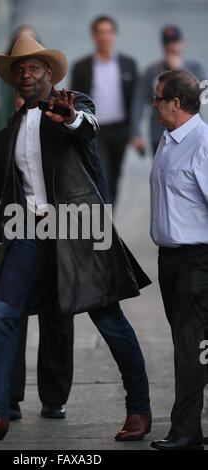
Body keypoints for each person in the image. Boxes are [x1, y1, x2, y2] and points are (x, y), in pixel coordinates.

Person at [0, 37, 151, 442]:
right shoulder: (16, 125)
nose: (26, 74)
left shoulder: (73, 104)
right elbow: (3, 190)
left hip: (77, 231)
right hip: (30, 232)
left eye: (34, 68)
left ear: (50, 75)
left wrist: (71, 116)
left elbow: (86, 128)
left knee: (110, 321)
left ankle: (139, 409)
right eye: (19, 70)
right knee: (2, 312)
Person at [0, 124, 74, 421]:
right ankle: (7, 398)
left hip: (60, 238)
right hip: (15, 238)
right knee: (8, 314)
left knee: (58, 316)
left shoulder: (62, 133)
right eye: (20, 87)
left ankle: (54, 398)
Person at [149, 70, 208, 451]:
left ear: (176, 103)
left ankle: (186, 431)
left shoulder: (202, 144)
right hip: (170, 259)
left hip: (197, 261)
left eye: (157, 98)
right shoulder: (169, 139)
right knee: (191, 344)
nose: (153, 104)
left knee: (191, 347)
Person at [71, 16, 138, 204]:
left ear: (114, 35)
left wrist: (134, 132)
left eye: (108, 32)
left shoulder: (128, 64)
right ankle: (101, 219)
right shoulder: (81, 66)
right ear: (94, 36)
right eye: (100, 32)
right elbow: (75, 100)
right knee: (103, 176)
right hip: (94, 130)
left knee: (115, 176)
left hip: (120, 131)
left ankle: (109, 220)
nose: (104, 37)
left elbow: (135, 99)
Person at [131, 25, 207, 157]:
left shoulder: (197, 68)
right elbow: (139, 101)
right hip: (159, 135)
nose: (172, 47)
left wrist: (179, 70)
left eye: (175, 42)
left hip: (191, 134)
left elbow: (204, 97)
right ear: (162, 45)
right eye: (168, 43)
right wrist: (136, 133)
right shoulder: (151, 72)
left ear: (182, 43)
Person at [0, 25, 40, 128]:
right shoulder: (7, 73)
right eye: (21, 41)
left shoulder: (44, 72)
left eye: (30, 40)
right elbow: (4, 109)